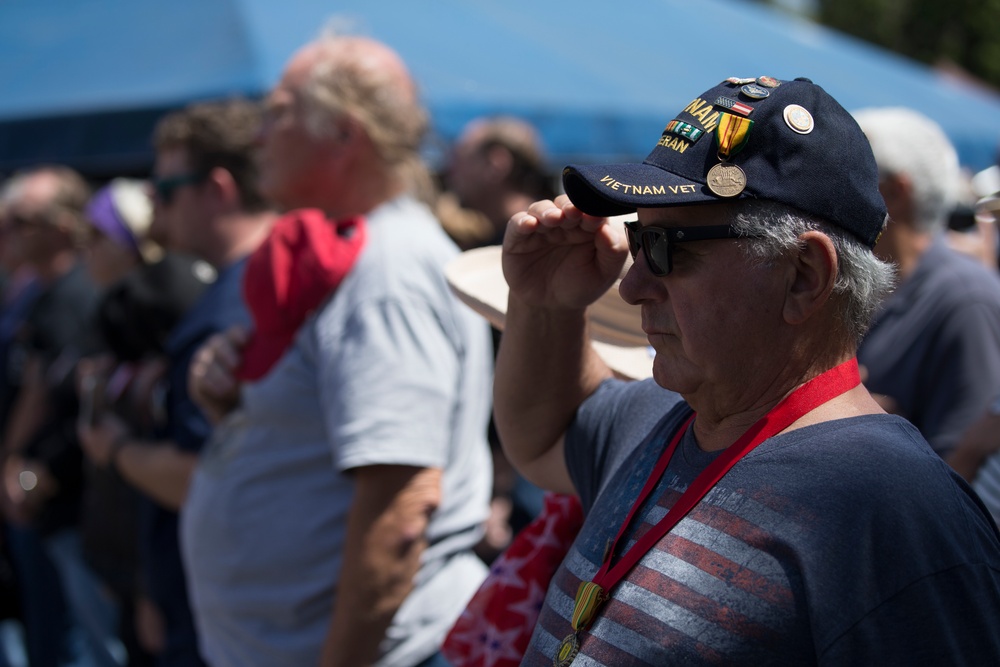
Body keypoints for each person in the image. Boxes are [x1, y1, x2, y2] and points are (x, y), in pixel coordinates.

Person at [493, 75, 1000, 665]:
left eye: (666, 249)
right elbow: (544, 431)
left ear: (803, 275)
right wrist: (547, 306)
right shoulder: (669, 417)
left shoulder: (895, 515)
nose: (631, 287)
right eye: (638, 241)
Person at [183, 31, 494, 667]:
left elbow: (401, 508)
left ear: (344, 136)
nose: (257, 136)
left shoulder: (388, 270)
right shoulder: (356, 253)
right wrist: (232, 397)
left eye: (278, 113)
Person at [77, 98, 275, 667]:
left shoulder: (232, 304)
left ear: (217, 188)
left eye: (163, 191)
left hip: (228, 614)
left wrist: (114, 450)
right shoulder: (254, 284)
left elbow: (202, 476)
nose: (157, 212)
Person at [0, 165, 119, 666]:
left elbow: (82, 407)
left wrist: (33, 471)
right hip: (43, 506)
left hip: (75, 507)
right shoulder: (41, 299)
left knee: (91, 646)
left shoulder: (80, 297)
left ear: (64, 226)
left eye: (23, 219)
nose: (9, 232)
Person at [853, 107, 1000, 458]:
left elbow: (964, 464)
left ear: (895, 193)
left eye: (851, 176)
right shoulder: (857, 276)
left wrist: (848, 419)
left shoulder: (968, 300)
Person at [439, 116, 555, 250]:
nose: (450, 169)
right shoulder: (544, 236)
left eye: (459, 157)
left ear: (497, 164)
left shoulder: (538, 244)